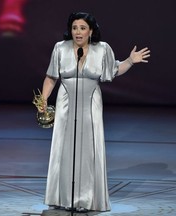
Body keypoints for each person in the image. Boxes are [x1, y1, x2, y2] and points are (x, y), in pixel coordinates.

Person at [38, 12, 150, 212]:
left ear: (91, 31)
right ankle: (62, 197)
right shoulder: (60, 48)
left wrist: (130, 61)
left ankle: (86, 199)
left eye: (82, 28)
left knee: (89, 150)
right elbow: (51, 77)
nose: (77, 32)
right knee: (63, 149)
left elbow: (113, 71)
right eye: (74, 28)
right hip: (65, 104)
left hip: (91, 105)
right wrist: (44, 98)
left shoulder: (102, 49)